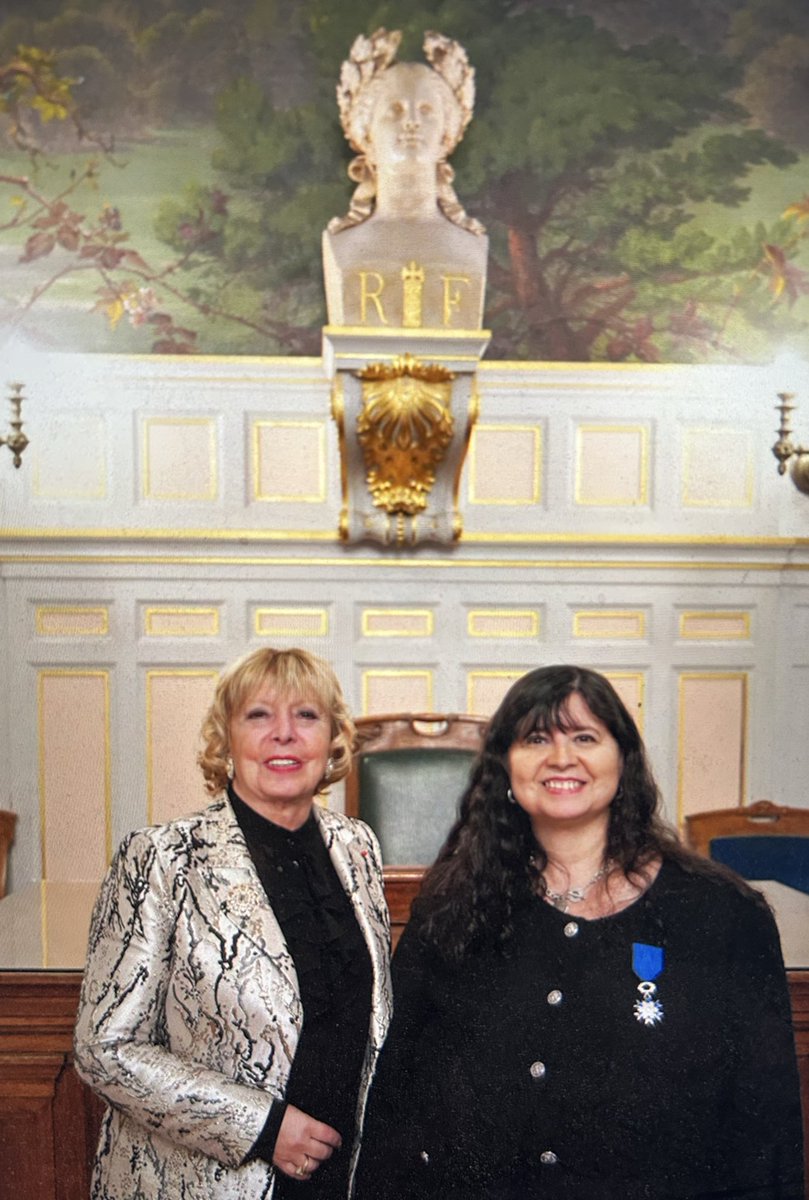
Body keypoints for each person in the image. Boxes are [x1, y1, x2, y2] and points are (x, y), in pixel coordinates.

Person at [355, 665, 805, 1200]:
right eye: (536, 739)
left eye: (585, 738)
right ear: (505, 766)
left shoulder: (724, 915)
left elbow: (766, 1140)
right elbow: (394, 1099)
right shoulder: (452, 904)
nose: (561, 757)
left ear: (623, 760)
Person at [74, 647, 392, 1200]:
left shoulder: (357, 846)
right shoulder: (162, 857)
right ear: (226, 739)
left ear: (332, 739)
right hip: (212, 1183)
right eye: (259, 715)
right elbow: (104, 1048)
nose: (284, 734)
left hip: (339, 1176)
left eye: (306, 715)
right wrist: (264, 1129)